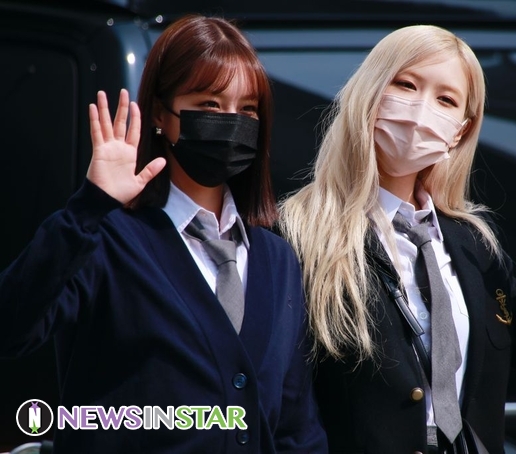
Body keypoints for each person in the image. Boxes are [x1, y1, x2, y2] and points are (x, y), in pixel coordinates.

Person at [278, 24, 516, 454]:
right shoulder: (297, 233)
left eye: (446, 100)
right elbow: (279, 399)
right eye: (406, 85)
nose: (421, 111)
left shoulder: (473, 244)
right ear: (370, 93)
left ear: (459, 131)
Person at [0, 15, 327, 454]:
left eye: (247, 109)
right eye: (209, 104)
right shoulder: (104, 238)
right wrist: (89, 206)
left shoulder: (278, 258)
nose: (231, 122)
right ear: (160, 112)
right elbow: (12, 328)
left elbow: (296, 428)